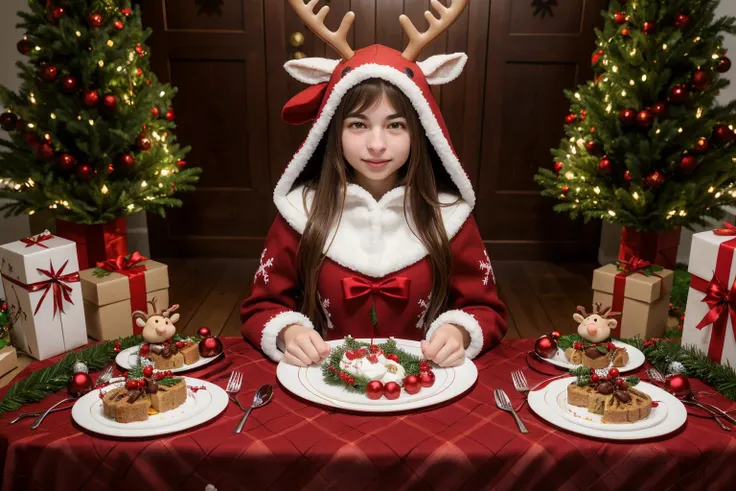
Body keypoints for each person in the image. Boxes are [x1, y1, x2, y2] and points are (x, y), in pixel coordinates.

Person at [241, 0, 507, 368]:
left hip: (424, 387)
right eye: (358, 125)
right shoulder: (299, 212)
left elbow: (485, 307)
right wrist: (287, 331)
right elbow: (262, 306)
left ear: (421, 131)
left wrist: (459, 331)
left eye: (395, 125)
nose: (377, 144)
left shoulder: (450, 216)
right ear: (332, 130)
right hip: (326, 386)